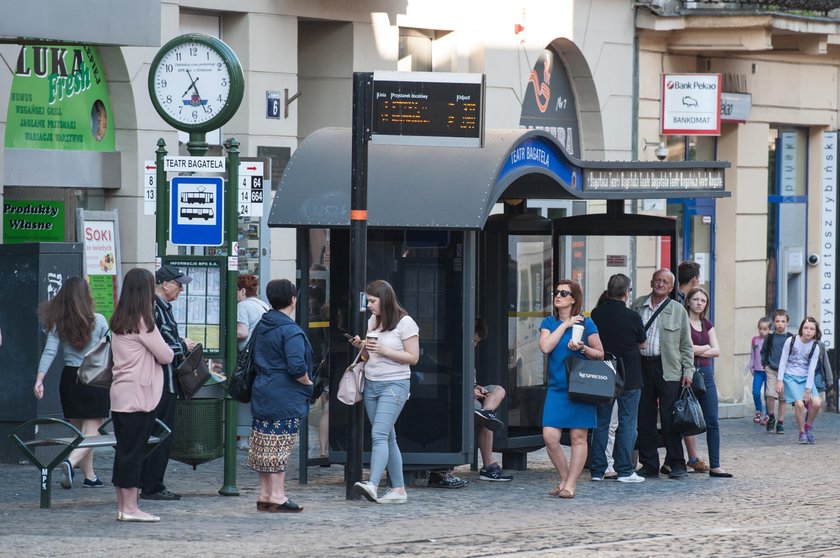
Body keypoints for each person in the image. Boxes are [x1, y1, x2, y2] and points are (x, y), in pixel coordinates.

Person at [109, 268, 174, 522]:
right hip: (140, 396)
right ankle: (131, 508)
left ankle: (123, 506)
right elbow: (166, 355)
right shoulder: (143, 322)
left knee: (124, 451)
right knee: (134, 453)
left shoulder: (119, 319)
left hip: (120, 394)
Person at [33, 276, 110, 489]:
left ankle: (90, 476)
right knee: (92, 431)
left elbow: (49, 352)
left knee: (80, 433)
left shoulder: (59, 323)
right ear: (86, 296)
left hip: (69, 380)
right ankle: (70, 461)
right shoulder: (100, 320)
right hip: (94, 377)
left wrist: (40, 379)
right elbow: (110, 350)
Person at [351, 280, 419, 504]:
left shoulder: (406, 323)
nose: (369, 305)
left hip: (395, 384)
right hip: (371, 383)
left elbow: (413, 357)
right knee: (388, 437)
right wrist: (362, 346)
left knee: (379, 435)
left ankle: (373, 484)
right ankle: (399, 489)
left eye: (372, 301)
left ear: (385, 299)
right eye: (368, 301)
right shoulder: (374, 321)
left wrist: (384, 349)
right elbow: (369, 354)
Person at [249, 278, 314, 512]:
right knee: (280, 443)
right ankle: (277, 495)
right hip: (285, 394)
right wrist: (308, 383)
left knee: (263, 442)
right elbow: (297, 367)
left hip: (262, 389)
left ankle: (265, 494)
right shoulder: (290, 330)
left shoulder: (263, 324)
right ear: (293, 299)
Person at [539, 280, 604, 498]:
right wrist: (564, 325)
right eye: (556, 292)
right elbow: (545, 347)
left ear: (573, 299)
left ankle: (571, 485)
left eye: (564, 293)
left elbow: (600, 353)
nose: (558, 296)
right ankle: (564, 478)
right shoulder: (549, 322)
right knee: (550, 436)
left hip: (581, 386)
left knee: (578, 437)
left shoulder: (587, 323)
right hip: (557, 388)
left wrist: (583, 348)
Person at [630, 268, 695, 479]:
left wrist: (689, 371)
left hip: (669, 369)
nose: (660, 284)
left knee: (669, 418)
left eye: (665, 282)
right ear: (651, 282)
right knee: (644, 417)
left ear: (671, 287)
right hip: (641, 367)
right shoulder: (638, 305)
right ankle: (649, 464)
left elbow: (686, 344)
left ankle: (677, 464)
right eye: (657, 280)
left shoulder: (678, 310)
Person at [140, 265, 196, 501]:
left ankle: (150, 482)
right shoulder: (155, 308)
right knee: (161, 433)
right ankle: (152, 485)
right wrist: (182, 346)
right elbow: (158, 348)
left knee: (158, 433)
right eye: (178, 284)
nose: (181, 289)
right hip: (162, 382)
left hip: (163, 380)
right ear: (165, 284)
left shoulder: (161, 307)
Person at [589, 274, 647, 484]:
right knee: (628, 423)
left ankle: (597, 469)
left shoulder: (596, 313)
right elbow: (643, 343)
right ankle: (624, 469)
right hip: (629, 375)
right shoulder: (632, 316)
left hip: (604, 372)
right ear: (626, 293)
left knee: (601, 423)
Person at [684, 287, 731, 477]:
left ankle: (715, 465)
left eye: (703, 301)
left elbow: (717, 351)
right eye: (695, 299)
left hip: (706, 375)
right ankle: (675, 461)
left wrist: (697, 349)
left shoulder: (707, 324)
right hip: (687, 374)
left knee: (712, 420)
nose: (699, 303)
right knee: (684, 419)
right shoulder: (683, 322)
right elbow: (684, 348)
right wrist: (705, 347)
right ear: (688, 301)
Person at [473, 318, 512, 482]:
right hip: (461, 398)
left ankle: (486, 413)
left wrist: (478, 388)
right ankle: (489, 465)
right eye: (474, 340)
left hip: (473, 395)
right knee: (486, 420)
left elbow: (471, 381)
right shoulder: (456, 349)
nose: (475, 345)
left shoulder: (469, 351)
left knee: (498, 390)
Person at [236, 274, 270, 450]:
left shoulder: (243, 306)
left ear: (242, 290)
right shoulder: (262, 304)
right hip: (261, 357)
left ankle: (241, 436)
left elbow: (241, 332)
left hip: (247, 358)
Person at [776, 317, 823, 444]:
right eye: (806, 328)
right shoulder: (791, 341)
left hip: (806, 377)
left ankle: (808, 426)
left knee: (817, 403)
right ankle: (802, 432)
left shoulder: (815, 346)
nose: (808, 331)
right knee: (799, 404)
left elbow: (812, 369)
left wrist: (808, 390)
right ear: (801, 329)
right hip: (790, 377)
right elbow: (783, 361)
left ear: (816, 332)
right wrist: (779, 380)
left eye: (812, 329)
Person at [760, 309, 793, 434]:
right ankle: (772, 416)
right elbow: (763, 351)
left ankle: (780, 422)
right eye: (778, 321)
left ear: (787, 323)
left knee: (783, 398)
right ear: (774, 322)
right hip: (772, 369)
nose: (780, 324)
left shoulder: (790, 338)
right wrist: (765, 364)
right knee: (770, 394)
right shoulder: (770, 337)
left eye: (783, 321)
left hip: (785, 372)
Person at [750, 317, 772, 425]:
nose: (762, 331)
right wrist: (751, 366)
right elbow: (753, 354)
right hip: (758, 371)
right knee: (755, 392)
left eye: (764, 329)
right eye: (760, 329)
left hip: (768, 371)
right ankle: (759, 411)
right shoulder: (755, 340)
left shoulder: (771, 340)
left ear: (769, 329)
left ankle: (768, 415)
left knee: (767, 395)